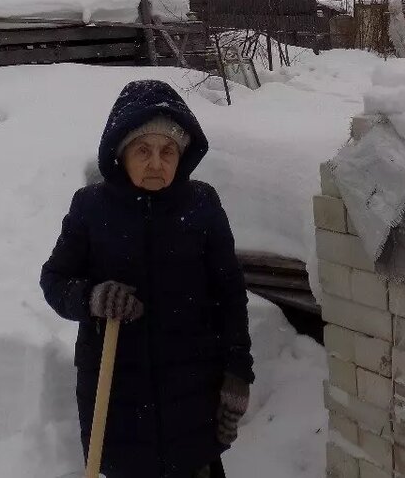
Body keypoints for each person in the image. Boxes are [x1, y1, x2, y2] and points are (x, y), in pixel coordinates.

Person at [41, 79, 253, 478]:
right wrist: (92, 297)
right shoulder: (90, 208)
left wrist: (238, 373)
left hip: (192, 395)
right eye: (143, 150)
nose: (157, 162)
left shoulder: (202, 205)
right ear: (121, 153)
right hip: (117, 400)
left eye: (168, 150)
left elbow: (230, 294)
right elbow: (54, 280)